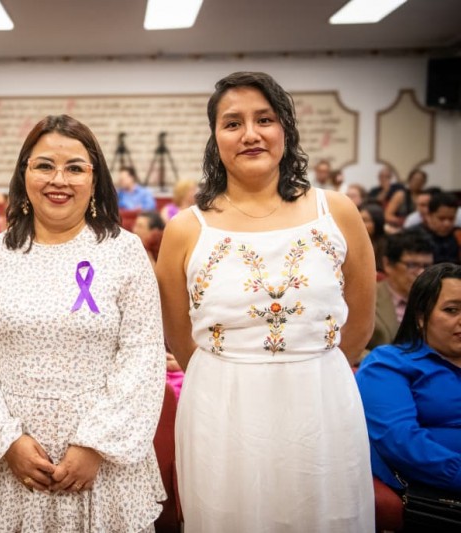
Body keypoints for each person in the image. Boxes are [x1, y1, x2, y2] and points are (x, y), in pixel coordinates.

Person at [156, 71, 375, 531]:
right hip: (222, 405)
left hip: (321, 398)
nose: (250, 134)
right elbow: (178, 334)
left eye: (265, 119)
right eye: (233, 123)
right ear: (215, 138)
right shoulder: (186, 229)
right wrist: (235, 370)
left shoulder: (336, 212)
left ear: (285, 130)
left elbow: (359, 324)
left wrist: (306, 362)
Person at [0, 114, 167, 532]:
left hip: (104, 460)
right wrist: (7, 440)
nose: (58, 180)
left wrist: (95, 445)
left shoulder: (124, 252)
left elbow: (142, 353)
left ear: (94, 178)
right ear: (24, 174)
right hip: (18, 458)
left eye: (74, 168)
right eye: (45, 165)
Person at [355, 263, 461, 494]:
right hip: (433, 493)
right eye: (452, 310)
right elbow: (399, 440)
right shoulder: (388, 364)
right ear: (421, 317)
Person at [367, 228, 434, 351]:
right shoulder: (366, 298)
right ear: (387, 264)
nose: (421, 273)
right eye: (412, 265)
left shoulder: (437, 301)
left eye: (427, 266)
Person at [419, 191, 461, 264]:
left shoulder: (458, 235)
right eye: (441, 218)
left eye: (451, 219)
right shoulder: (416, 236)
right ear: (429, 216)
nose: (447, 224)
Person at [360, 201, 387, 273]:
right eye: (359, 220)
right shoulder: (353, 243)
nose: (360, 224)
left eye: (365, 220)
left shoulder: (386, 245)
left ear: (377, 222)